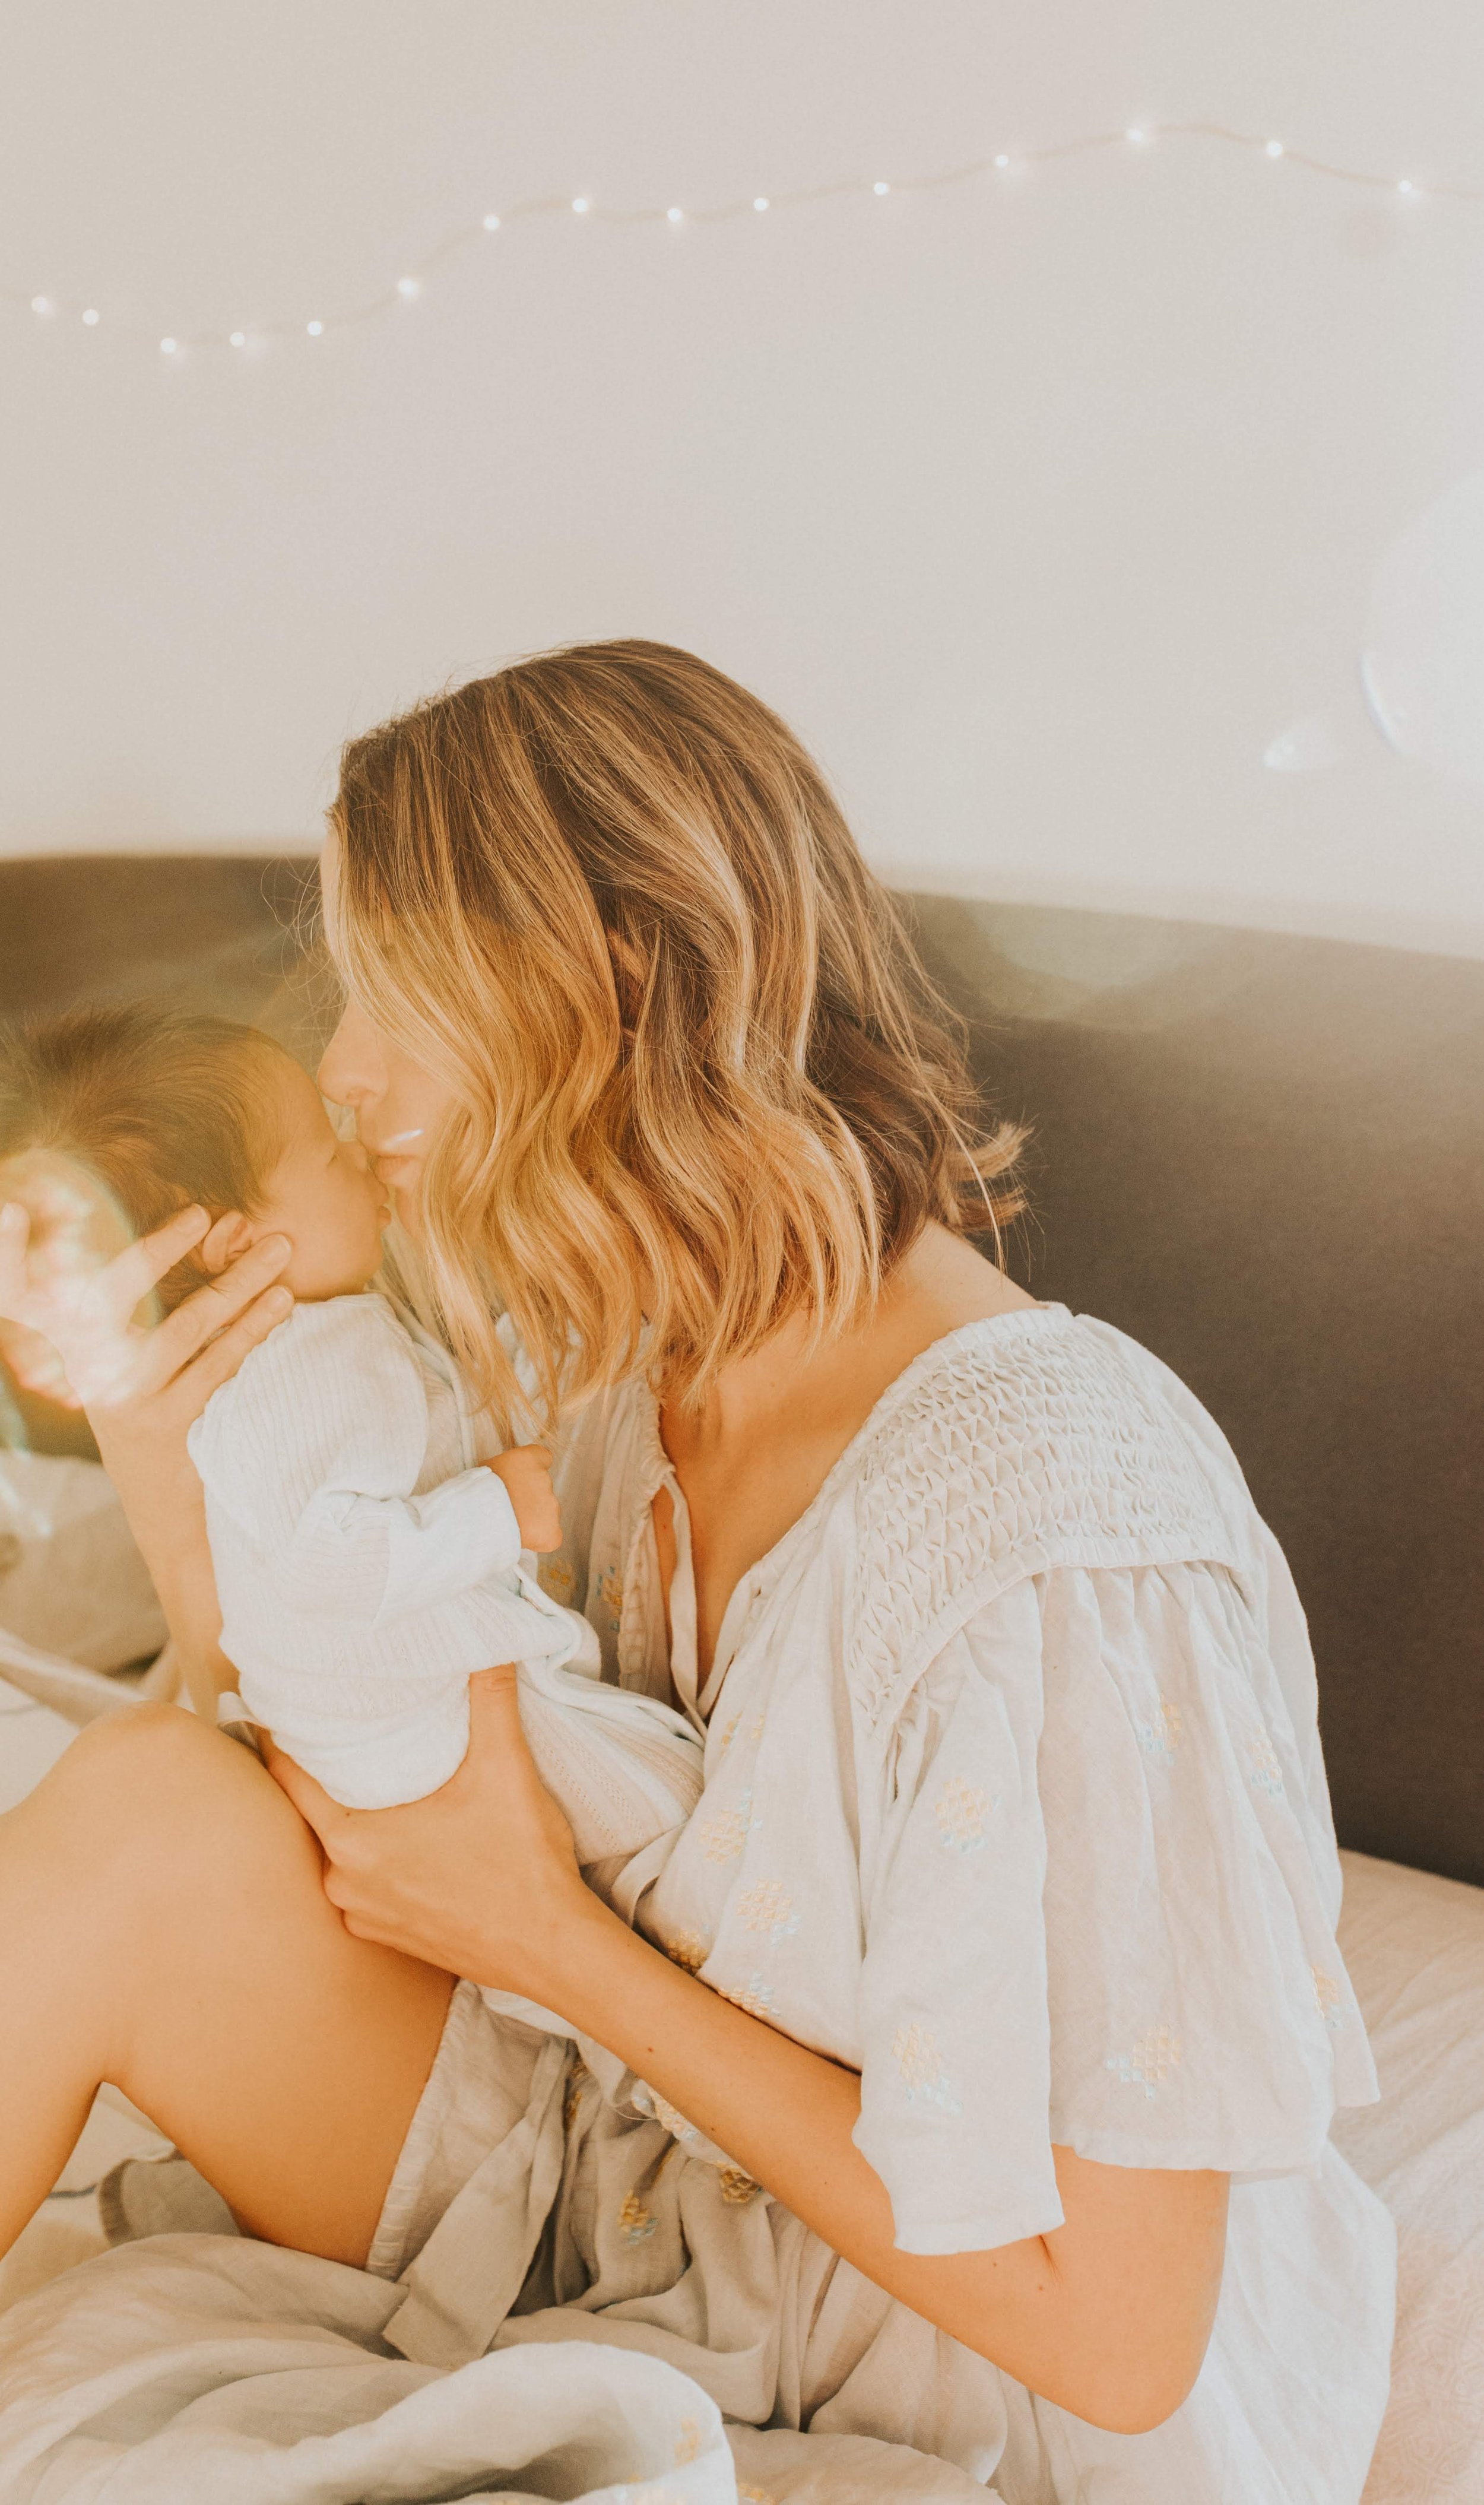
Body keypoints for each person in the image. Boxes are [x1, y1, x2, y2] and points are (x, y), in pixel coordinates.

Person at [0, 642, 1395, 2502]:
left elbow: (1121, 2342)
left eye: (393, 991)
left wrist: (551, 1942)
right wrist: (165, 1431)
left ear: (615, 981)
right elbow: (311, 1723)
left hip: (933, 2349)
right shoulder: (612, 1359)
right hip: (619, 2169)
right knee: (139, 1806)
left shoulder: (1057, 1536)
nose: (342, 1070)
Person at [0, 1006, 703, 1864]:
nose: (360, 1149)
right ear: (238, 1244)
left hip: (382, 1733)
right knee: (666, 1798)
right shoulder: (309, 1362)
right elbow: (327, 1560)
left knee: (650, 1792)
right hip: (397, 1732)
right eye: (331, 1154)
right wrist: (493, 1509)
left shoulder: (332, 1342)